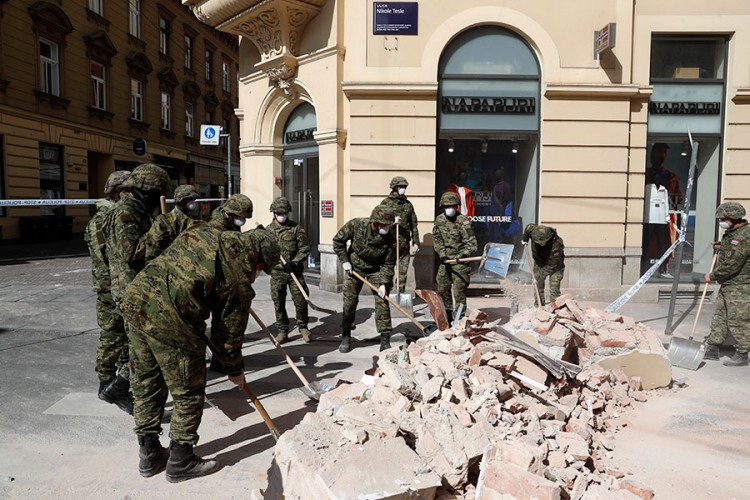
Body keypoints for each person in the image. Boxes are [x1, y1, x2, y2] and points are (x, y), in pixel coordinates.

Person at [121, 224, 280, 481]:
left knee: (147, 383)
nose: (259, 273)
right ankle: (181, 461)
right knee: (189, 390)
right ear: (257, 258)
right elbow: (227, 335)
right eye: (262, 268)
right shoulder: (239, 278)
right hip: (171, 319)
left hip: (136, 301)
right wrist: (235, 371)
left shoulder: (207, 230)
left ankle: (149, 455)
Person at [101, 164, 171, 414]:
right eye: (155, 194)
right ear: (144, 190)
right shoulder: (126, 213)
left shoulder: (139, 209)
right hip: (133, 292)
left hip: (142, 288)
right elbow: (131, 253)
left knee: (141, 349)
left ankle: (122, 386)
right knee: (142, 350)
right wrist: (159, 233)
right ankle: (125, 391)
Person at [83, 170, 134, 414]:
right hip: (110, 287)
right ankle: (110, 385)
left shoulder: (112, 217)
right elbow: (113, 257)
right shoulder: (106, 220)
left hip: (113, 285)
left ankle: (116, 385)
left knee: (119, 336)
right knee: (113, 335)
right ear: (119, 193)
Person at [333, 205, 397, 353]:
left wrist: (384, 282)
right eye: (384, 224)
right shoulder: (356, 225)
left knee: (382, 300)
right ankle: (346, 335)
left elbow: (389, 262)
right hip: (354, 268)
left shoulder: (390, 236)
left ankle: (385, 339)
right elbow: (338, 241)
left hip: (376, 270)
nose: (386, 227)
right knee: (349, 301)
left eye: (389, 224)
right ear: (375, 222)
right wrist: (345, 261)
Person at [703, 201, 750, 367]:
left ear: (734, 217)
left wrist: (713, 275)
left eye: (724, 218)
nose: (722, 221)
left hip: (740, 285)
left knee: (739, 319)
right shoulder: (732, 233)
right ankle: (713, 347)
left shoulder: (744, 236)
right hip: (729, 284)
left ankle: (743, 353)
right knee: (720, 317)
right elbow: (731, 251)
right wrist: (721, 247)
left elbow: (733, 264)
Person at [267, 196, 312, 343]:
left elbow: (304, 248)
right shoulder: (268, 231)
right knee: (278, 301)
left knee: (301, 300)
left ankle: (303, 327)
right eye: (279, 213)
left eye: (284, 213)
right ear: (274, 213)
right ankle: (282, 330)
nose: (282, 215)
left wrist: (295, 262)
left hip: (294, 271)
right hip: (277, 272)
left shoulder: (296, 228)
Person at [433, 192, 477, 323]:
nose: (450, 208)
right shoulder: (439, 220)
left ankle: (459, 319)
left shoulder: (463, 221)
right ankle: (448, 315)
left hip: (460, 263)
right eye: (447, 206)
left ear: (457, 207)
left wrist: (460, 256)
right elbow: (437, 238)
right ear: (443, 207)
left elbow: (472, 245)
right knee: (442, 288)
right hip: (445, 261)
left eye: (452, 206)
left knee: (459, 292)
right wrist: (441, 253)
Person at [644, 143, 683, 278]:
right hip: (647, 216)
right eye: (658, 153)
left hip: (666, 216)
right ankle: (643, 267)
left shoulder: (671, 176)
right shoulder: (645, 175)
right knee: (646, 242)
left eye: (664, 154)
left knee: (665, 243)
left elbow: (678, 198)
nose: (661, 156)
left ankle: (663, 269)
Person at [379, 176, 420, 293]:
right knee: (388, 270)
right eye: (400, 187)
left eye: (404, 187)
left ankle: (400, 293)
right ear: (394, 188)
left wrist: (416, 242)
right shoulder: (385, 203)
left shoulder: (408, 205)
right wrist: (392, 222)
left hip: (404, 245)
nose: (403, 189)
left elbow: (414, 224)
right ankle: (386, 292)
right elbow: (378, 222)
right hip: (390, 244)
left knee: (403, 272)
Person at [139, 184, 200, 262]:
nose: (193, 202)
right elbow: (153, 252)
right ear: (181, 200)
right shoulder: (164, 221)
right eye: (190, 199)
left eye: (193, 199)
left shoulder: (193, 220)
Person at [522, 223, 565, 306]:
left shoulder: (557, 245)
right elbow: (528, 228)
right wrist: (525, 238)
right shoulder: (533, 231)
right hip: (539, 262)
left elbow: (550, 266)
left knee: (554, 288)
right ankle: (539, 305)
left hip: (555, 265)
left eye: (542, 242)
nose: (540, 244)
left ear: (548, 239)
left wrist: (539, 277)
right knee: (538, 285)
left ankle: (555, 307)